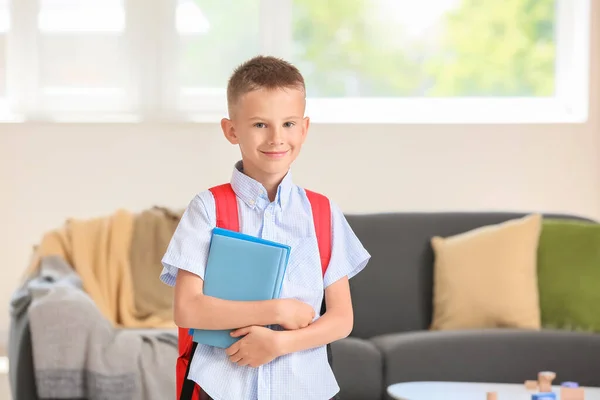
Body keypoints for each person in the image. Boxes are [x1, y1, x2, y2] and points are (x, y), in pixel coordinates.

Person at [160, 55, 371, 400]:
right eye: (260, 124)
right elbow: (187, 308)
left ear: (304, 129)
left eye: (288, 124)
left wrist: (278, 343)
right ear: (231, 130)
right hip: (223, 387)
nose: (276, 138)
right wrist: (276, 310)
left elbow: (341, 318)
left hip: (303, 389)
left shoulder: (323, 213)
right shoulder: (208, 209)